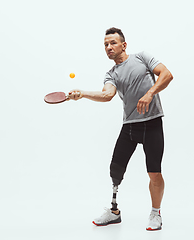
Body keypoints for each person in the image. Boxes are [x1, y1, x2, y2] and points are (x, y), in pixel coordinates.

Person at [68, 27, 173, 231]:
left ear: (123, 45)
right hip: (130, 126)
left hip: (152, 123)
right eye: (106, 45)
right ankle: (114, 212)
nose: (109, 47)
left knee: (154, 173)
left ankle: (155, 213)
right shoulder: (111, 74)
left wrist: (150, 93)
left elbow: (167, 75)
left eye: (113, 43)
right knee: (115, 169)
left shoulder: (142, 58)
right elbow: (107, 95)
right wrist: (82, 93)